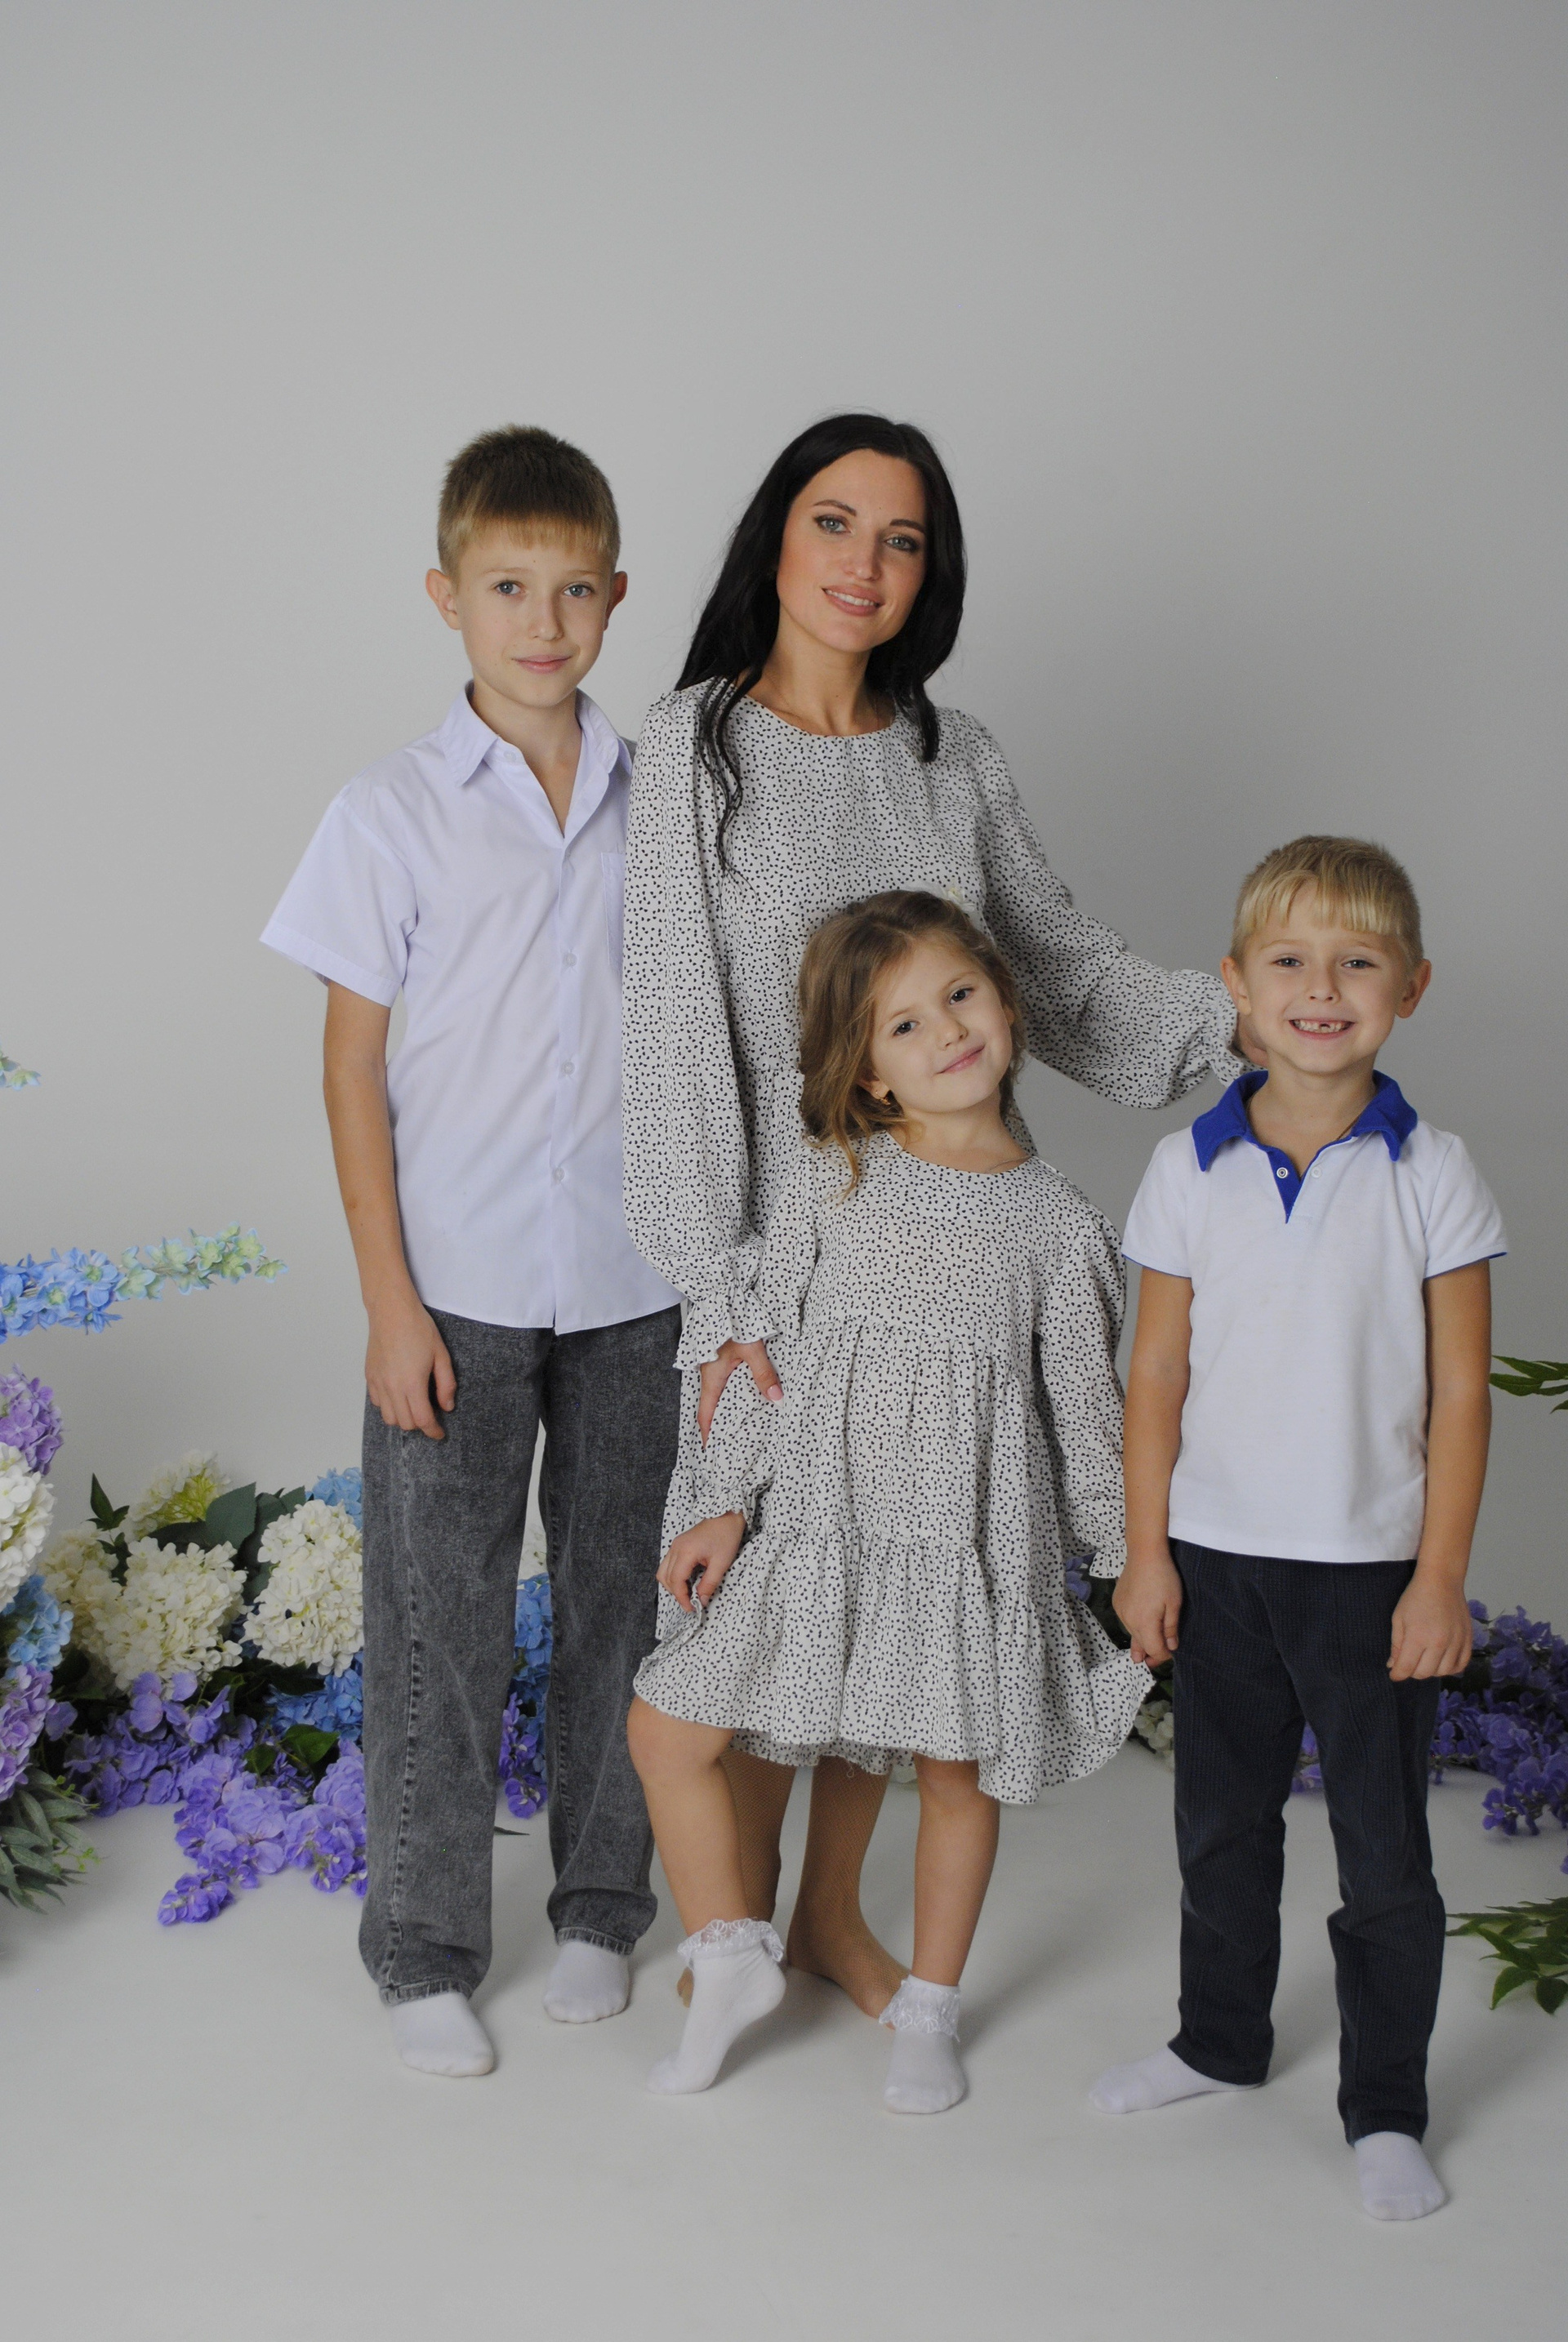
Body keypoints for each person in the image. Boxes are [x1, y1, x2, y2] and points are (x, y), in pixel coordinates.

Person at [621, 411, 1247, 2019]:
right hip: (786, 1259)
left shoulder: (953, 759)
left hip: (952, 1254)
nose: (865, 564)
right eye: (836, 523)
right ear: (778, 538)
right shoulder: (694, 746)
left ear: (931, 572)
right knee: (767, 1605)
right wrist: (719, 1297)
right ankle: (731, 1939)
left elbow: (1058, 970)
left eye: (902, 539)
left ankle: (829, 1921)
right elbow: (678, 1035)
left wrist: (1242, 1015)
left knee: (901, 1600)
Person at [261, 426, 681, 2077]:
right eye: (508, 588)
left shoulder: (669, 803)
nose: (543, 622)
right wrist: (390, 1303)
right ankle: (424, 1947)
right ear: (447, 597)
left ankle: (602, 1907)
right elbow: (349, 1071)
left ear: (616, 596)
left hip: (640, 1287)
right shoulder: (389, 814)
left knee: (622, 1608)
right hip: (454, 1294)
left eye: (573, 590)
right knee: (439, 1623)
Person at [627, 891, 1148, 2105]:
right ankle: (729, 1952)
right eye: (904, 1025)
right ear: (867, 1073)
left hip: (965, 1546)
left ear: (1006, 1003)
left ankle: (930, 2008)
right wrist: (727, 1501)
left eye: (960, 997)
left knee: (953, 1776)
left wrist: (1128, 1563)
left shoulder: (1062, 1227)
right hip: (822, 1529)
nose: (946, 1033)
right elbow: (770, 1357)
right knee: (667, 1730)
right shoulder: (833, 1178)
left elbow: (1087, 1414)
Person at [1089, 835, 1504, 2222]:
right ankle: (1219, 2040)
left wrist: (1439, 1576)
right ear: (1237, 986)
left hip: (1371, 1574)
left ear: (1411, 988)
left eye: (1357, 963)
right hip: (1215, 1565)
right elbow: (1155, 1373)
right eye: (1290, 962)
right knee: (1221, 1825)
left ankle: (1386, 2106)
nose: (1321, 990)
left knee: (1384, 1857)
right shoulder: (1185, 1168)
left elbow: (1461, 1393)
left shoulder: (1434, 1172)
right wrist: (1147, 1553)